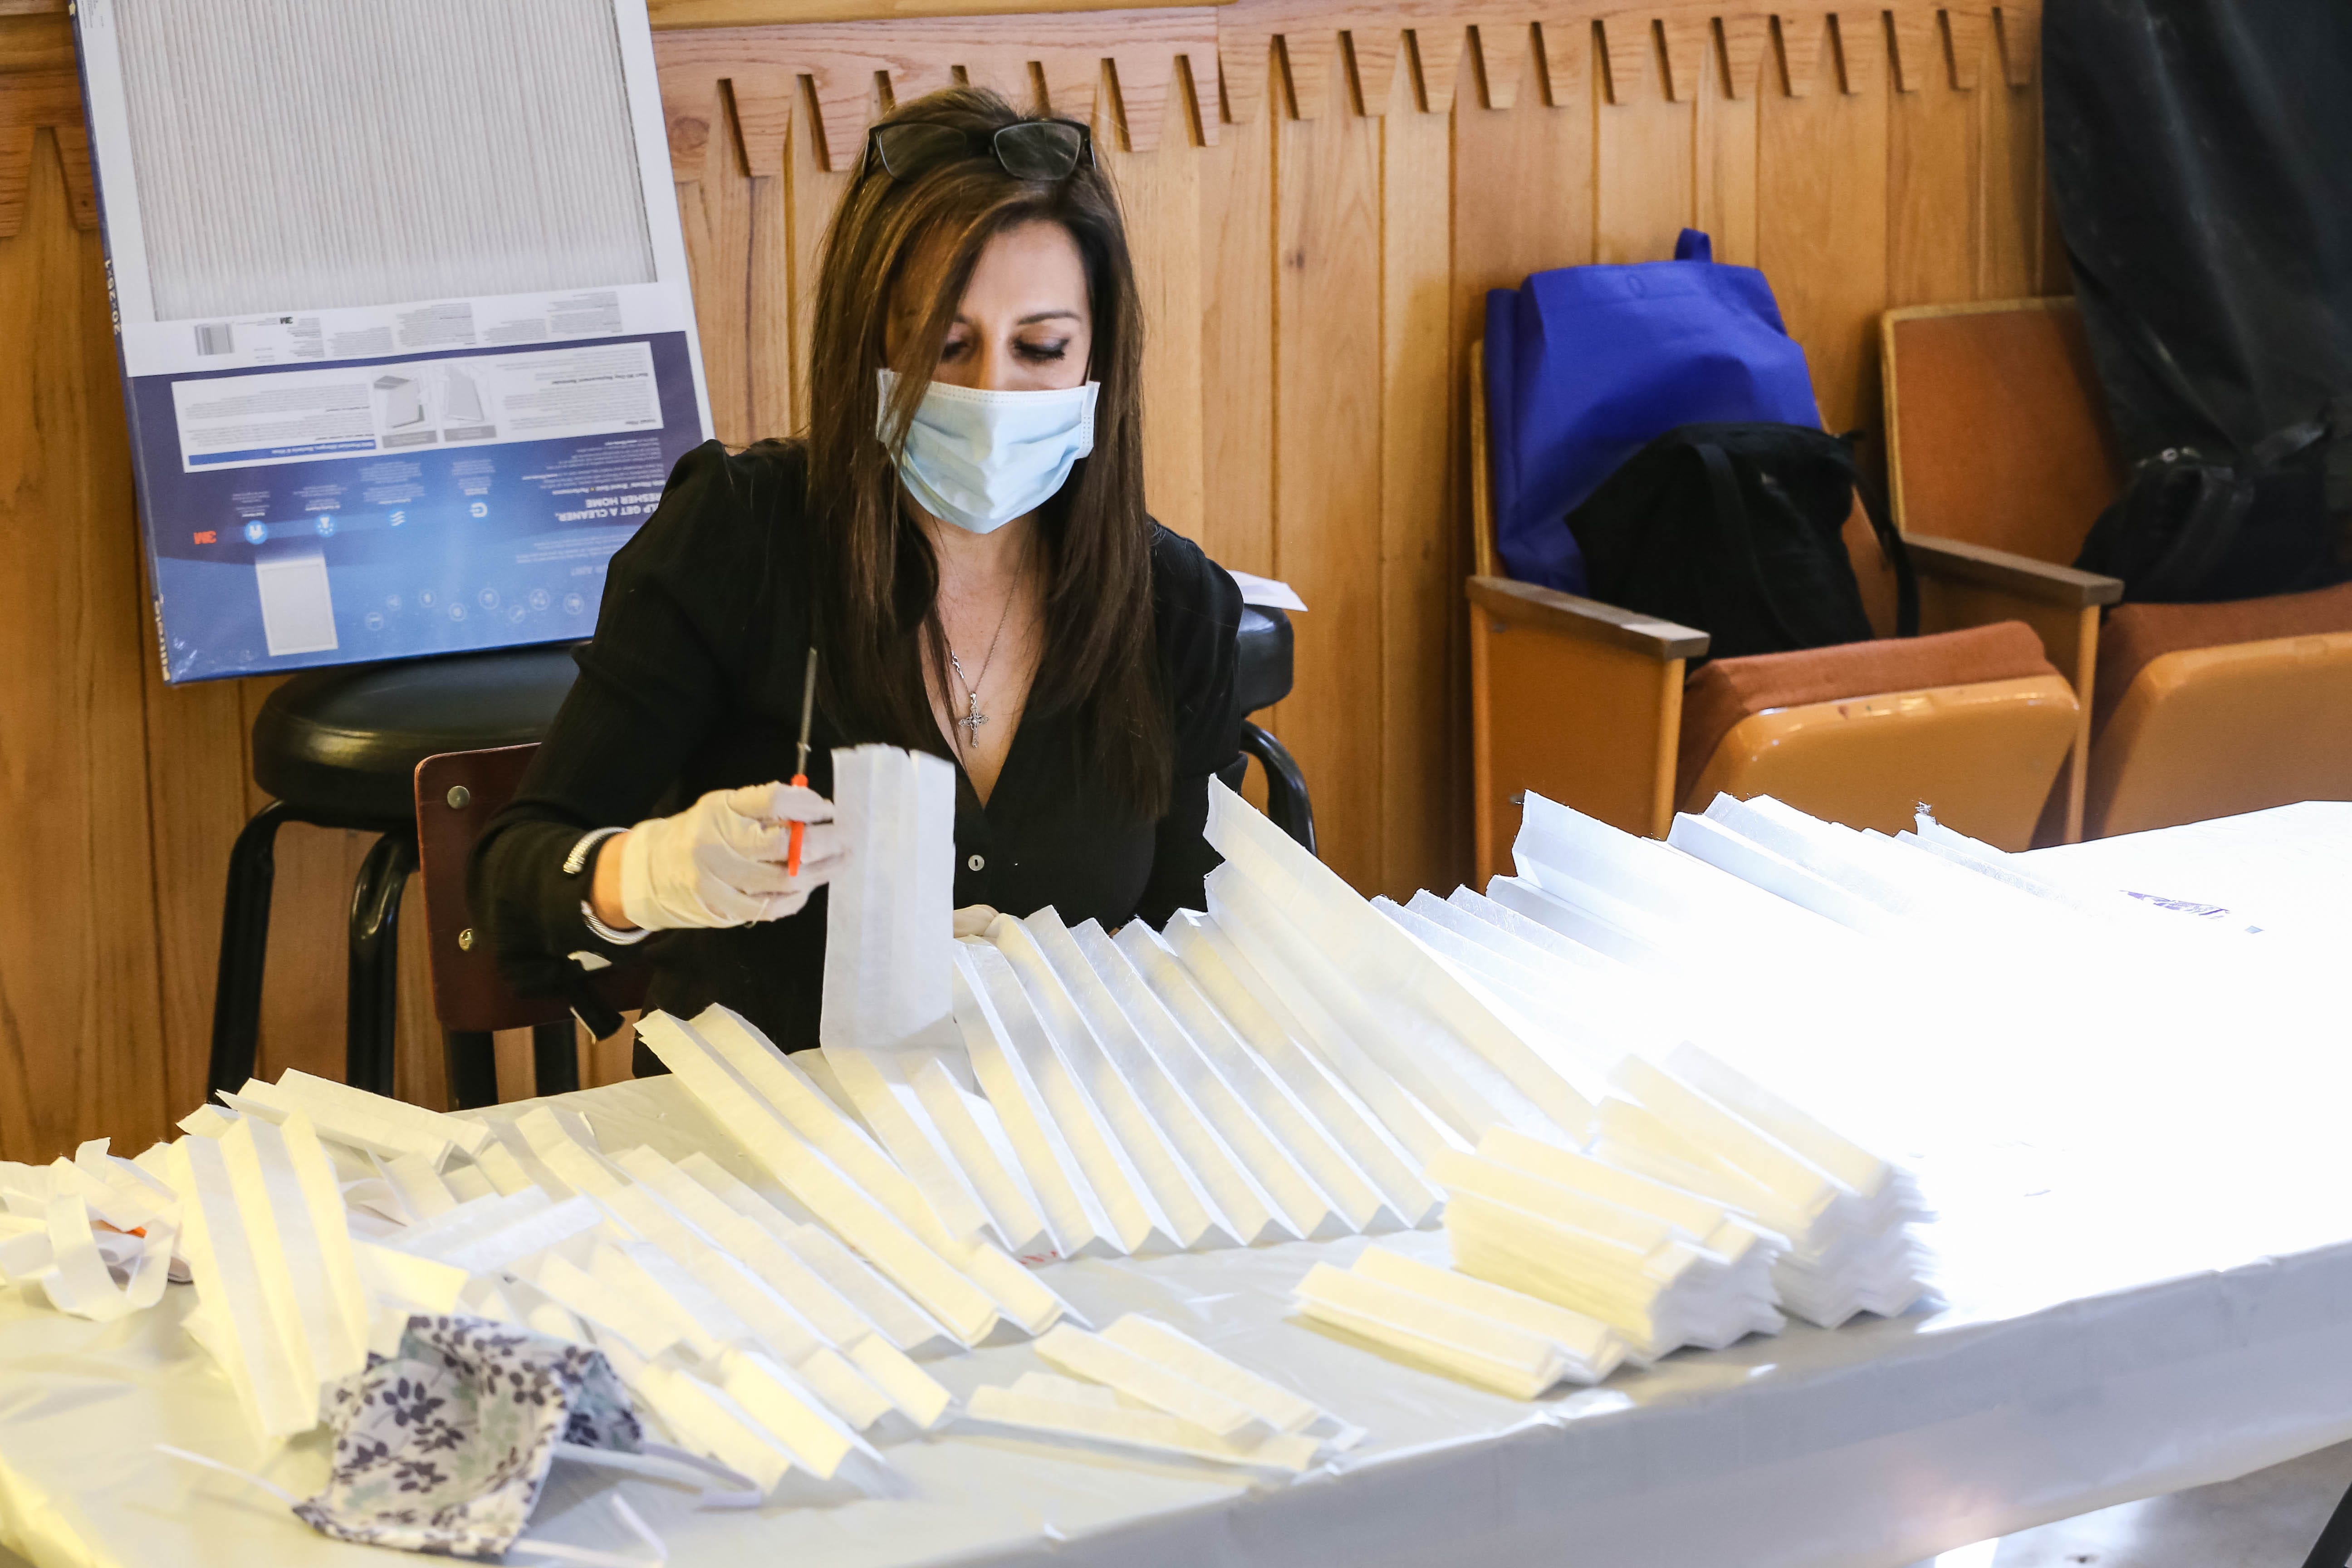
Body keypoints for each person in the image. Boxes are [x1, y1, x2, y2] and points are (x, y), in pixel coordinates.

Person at [470, 87, 1242, 1067]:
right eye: (943, 345)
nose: (989, 392)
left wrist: (1074, 997)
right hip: (764, 1164)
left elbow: (1202, 948)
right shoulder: (741, 539)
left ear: (1100, 359)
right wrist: (653, 873)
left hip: (1054, 1166)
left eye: (1041, 348)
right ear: (868, 340)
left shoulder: (1172, 607)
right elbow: (510, 880)